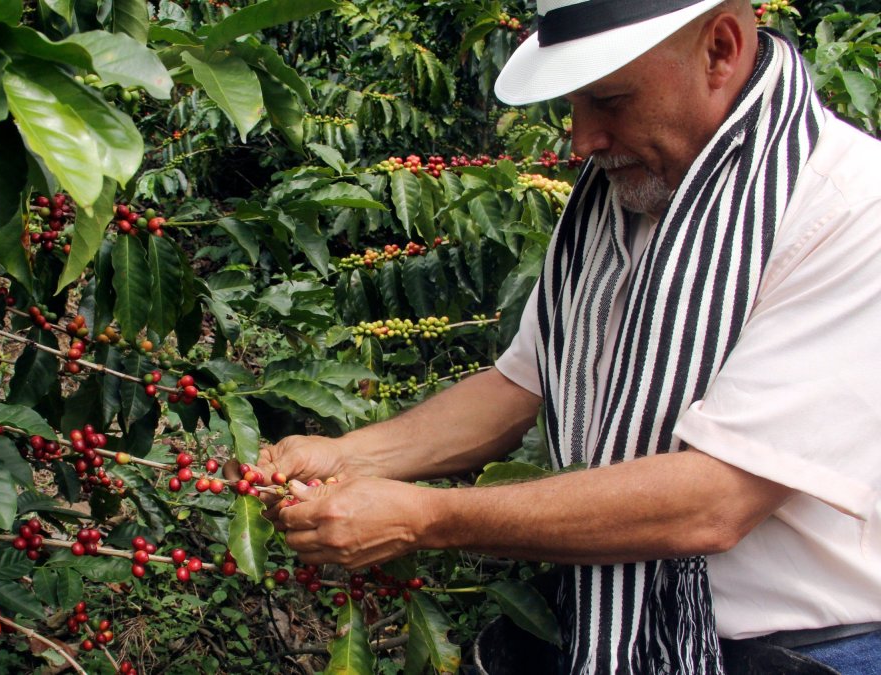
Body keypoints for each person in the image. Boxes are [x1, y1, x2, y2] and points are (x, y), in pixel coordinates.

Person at [255, 1, 881, 673]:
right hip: (613, 638)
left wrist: (425, 517)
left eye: (609, 100)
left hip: (801, 654)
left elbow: (714, 501)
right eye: (573, 104)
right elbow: (518, 385)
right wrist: (347, 456)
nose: (581, 141)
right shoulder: (618, 206)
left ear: (721, 49)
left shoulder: (849, 210)